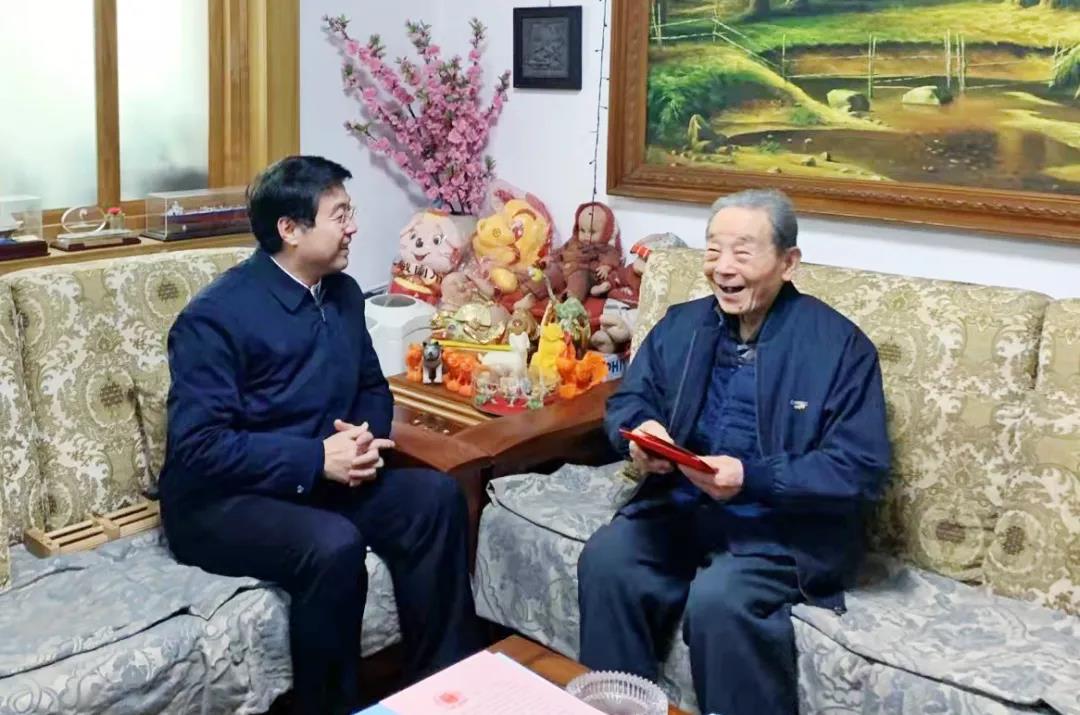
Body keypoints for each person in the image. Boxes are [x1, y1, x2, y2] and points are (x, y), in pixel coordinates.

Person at [159, 155, 484, 715]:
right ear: (290, 229)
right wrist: (315, 459)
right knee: (333, 545)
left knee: (435, 498)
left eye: (350, 212)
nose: (353, 227)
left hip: (319, 479)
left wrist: (362, 438)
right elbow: (199, 446)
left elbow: (372, 388)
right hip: (221, 501)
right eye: (340, 215)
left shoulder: (343, 294)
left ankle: (443, 692)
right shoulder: (215, 318)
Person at [577, 189, 891, 714]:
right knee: (609, 560)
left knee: (720, 600)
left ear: (788, 262)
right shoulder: (683, 325)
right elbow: (630, 399)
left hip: (783, 527)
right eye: (713, 250)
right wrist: (640, 432)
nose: (723, 267)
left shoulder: (840, 347)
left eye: (742, 253)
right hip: (681, 504)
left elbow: (860, 468)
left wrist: (752, 477)